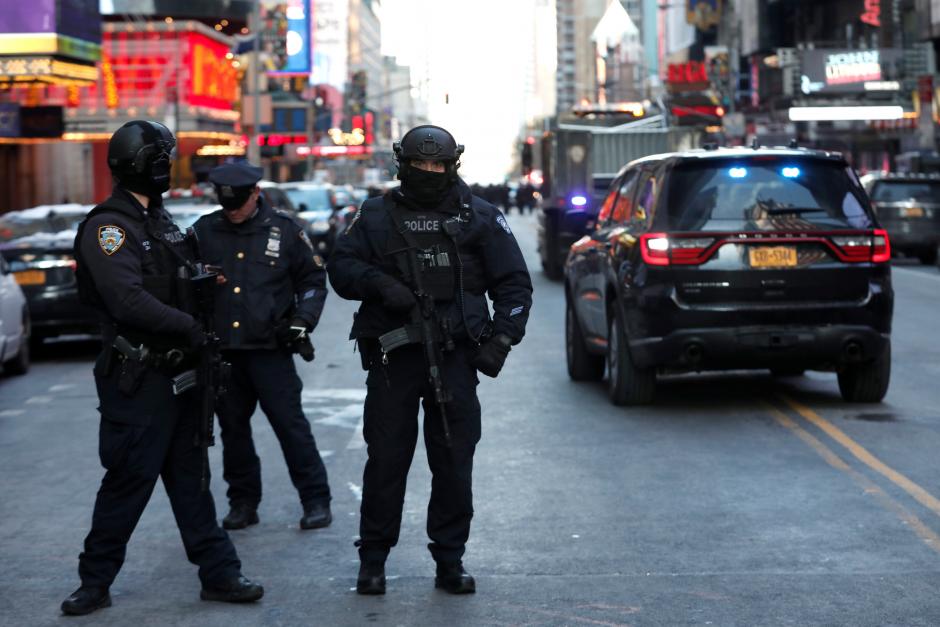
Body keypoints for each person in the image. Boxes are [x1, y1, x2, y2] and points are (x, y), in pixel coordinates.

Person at [63, 120, 263, 616]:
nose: (169, 168)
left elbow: (174, 280)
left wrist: (202, 285)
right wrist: (189, 326)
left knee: (192, 481)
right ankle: (94, 582)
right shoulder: (110, 227)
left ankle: (220, 574)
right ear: (144, 165)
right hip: (141, 378)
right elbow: (126, 299)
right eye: (163, 159)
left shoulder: (162, 222)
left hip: (184, 376)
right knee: (128, 482)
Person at [328, 125, 533, 595]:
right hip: (393, 359)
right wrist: (379, 286)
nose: (427, 173)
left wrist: (502, 339)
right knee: (386, 462)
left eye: (436, 165)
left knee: (454, 463)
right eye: (419, 165)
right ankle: (373, 561)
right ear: (403, 164)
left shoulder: (479, 216)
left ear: (451, 165)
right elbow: (340, 267)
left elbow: (514, 286)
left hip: (456, 357)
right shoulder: (375, 215)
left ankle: (449, 560)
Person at [193, 162, 332, 531]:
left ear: (256, 193)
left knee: (291, 427)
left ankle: (316, 500)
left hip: (270, 350)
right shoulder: (204, 231)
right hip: (224, 353)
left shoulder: (284, 231)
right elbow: (183, 282)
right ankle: (242, 503)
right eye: (227, 205)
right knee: (233, 433)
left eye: (239, 203)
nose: (233, 211)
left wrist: (304, 320)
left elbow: (314, 279)